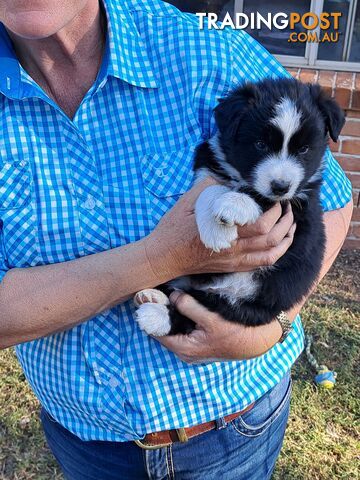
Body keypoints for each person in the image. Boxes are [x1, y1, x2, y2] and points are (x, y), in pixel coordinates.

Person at [0, 0, 353, 478]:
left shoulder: (207, 52)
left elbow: (330, 198)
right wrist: (156, 259)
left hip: (232, 428)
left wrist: (273, 324)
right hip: (86, 439)